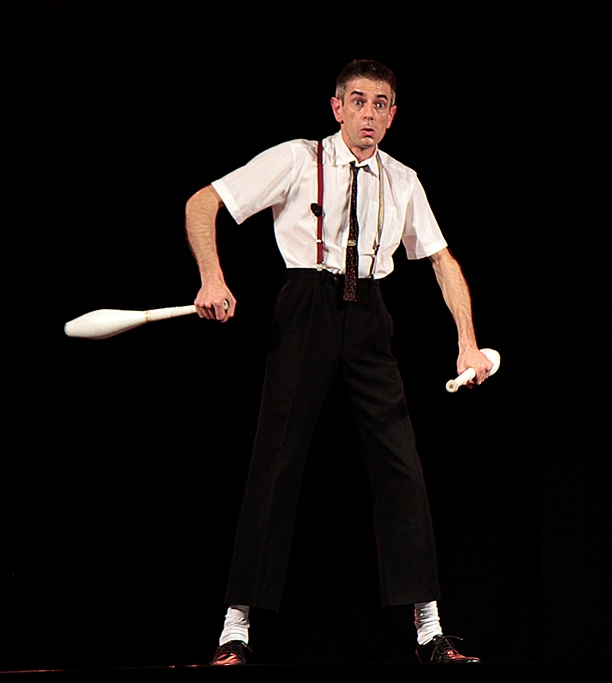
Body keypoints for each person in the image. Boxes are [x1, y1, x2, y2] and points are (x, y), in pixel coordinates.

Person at [184, 59, 491, 665]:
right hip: (306, 306)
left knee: (401, 464)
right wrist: (212, 278)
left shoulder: (403, 180)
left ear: (393, 114)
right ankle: (233, 630)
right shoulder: (298, 158)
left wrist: (467, 340)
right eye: (358, 101)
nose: (369, 114)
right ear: (337, 107)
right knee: (275, 463)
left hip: (370, 315)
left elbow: (442, 261)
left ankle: (430, 631)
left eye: (381, 104)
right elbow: (202, 203)